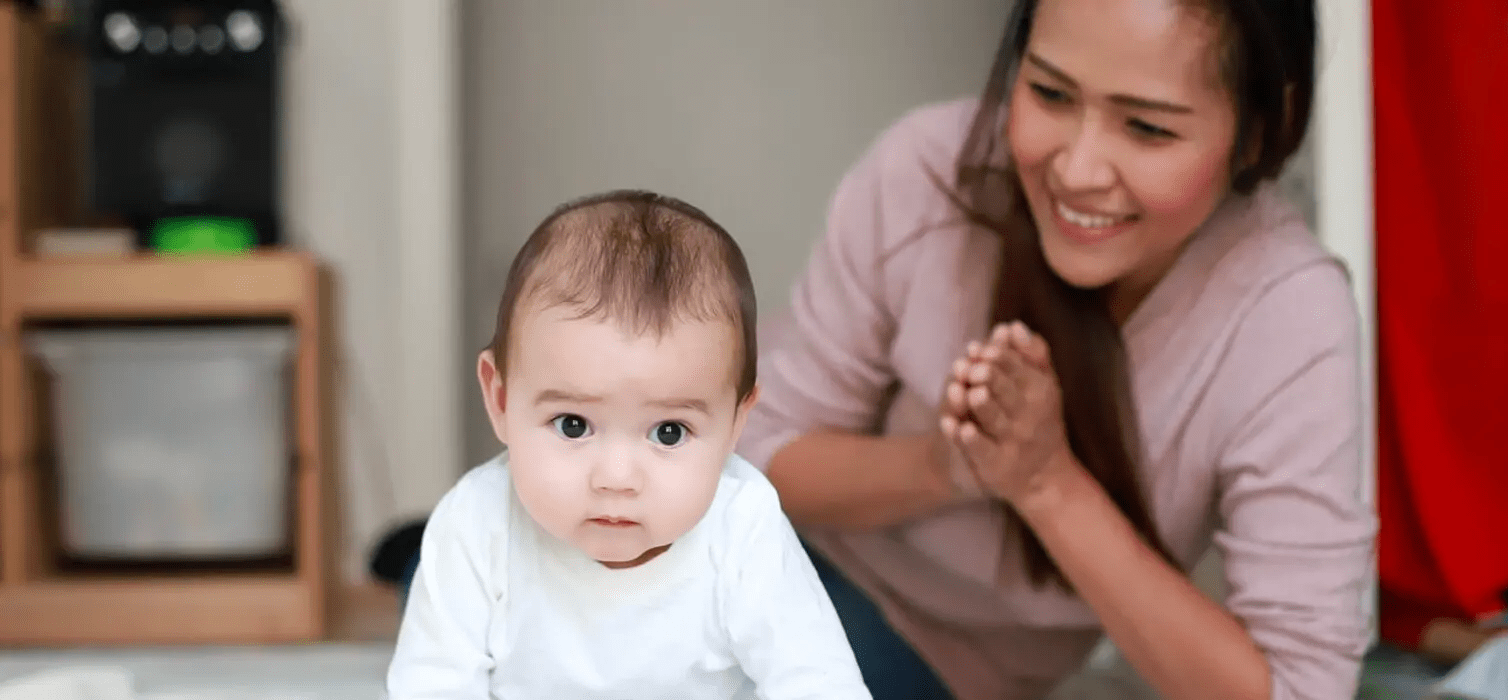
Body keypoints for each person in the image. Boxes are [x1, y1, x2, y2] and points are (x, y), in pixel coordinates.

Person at [736, 0, 1375, 699]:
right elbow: (756, 453)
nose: (1076, 170)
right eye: (1048, 93)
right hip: (771, 568)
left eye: (1148, 128)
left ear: (1261, 132)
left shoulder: (1286, 315)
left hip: (933, 670)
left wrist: (1046, 483)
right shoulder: (928, 174)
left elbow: (1303, 687)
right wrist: (948, 465)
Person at [386, 190, 872, 699]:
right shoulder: (475, 524)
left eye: (669, 432)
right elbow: (432, 685)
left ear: (736, 424)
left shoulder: (745, 528)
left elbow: (819, 682)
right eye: (573, 424)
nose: (616, 478)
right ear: (501, 399)